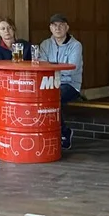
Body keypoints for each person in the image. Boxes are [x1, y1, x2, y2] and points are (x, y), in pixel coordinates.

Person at [38, 13, 82, 151]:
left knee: (53, 98)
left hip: (70, 84)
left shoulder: (76, 45)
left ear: (67, 27)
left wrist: (52, 68)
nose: (58, 28)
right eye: (55, 25)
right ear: (50, 28)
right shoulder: (45, 44)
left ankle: (63, 133)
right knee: (37, 98)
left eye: (61, 25)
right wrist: (57, 67)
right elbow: (41, 65)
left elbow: (71, 69)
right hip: (49, 83)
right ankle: (46, 134)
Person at [0, 16, 32, 149]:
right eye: (3, 29)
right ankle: (0, 134)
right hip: (4, 84)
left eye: (9, 28)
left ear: (14, 30)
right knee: (3, 100)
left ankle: (23, 134)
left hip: (25, 82)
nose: (6, 31)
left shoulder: (25, 46)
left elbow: (32, 66)